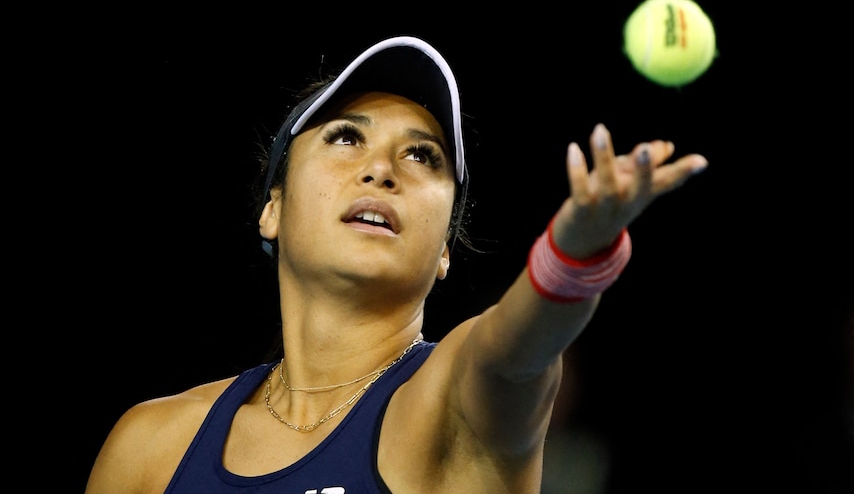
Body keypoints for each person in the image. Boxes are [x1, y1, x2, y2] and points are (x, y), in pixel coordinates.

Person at [85, 35, 708, 493]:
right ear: (272, 209)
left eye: (423, 156)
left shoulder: (455, 402)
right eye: (345, 137)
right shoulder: (149, 448)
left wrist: (575, 253)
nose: (382, 169)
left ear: (443, 252)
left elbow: (515, 354)